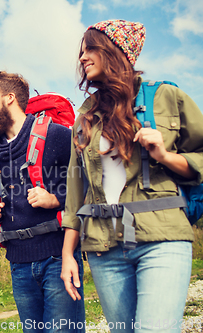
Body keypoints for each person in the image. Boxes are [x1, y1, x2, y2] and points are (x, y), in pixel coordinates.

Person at [61, 20, 203, 333]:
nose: (82, 57)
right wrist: (67, 255)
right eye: (81, 51)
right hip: (103, 248)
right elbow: (75, 191)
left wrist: (165, 155)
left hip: (161, 238)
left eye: (91, 48)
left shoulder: (166, 96)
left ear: (117, 51)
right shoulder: (84, 118)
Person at [0, 71, 85, 333]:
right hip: (19, 263)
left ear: (9, 98)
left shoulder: (57, 135)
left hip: (57, 255)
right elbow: (4, 199)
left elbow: (85, 189)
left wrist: (54, 198)